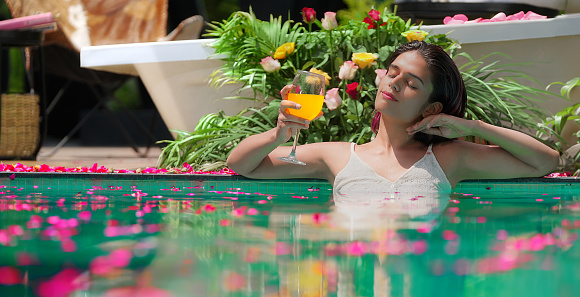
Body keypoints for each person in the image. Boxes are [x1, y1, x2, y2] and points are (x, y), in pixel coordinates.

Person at [226, 41, 559, 192]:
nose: (395, 82)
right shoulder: (337, 155)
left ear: (431, 109)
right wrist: (278, 134)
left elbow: (545, 162)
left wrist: (471, 127)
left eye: (411, 83)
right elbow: (240, 164)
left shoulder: (448, 158)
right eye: (393, 72)